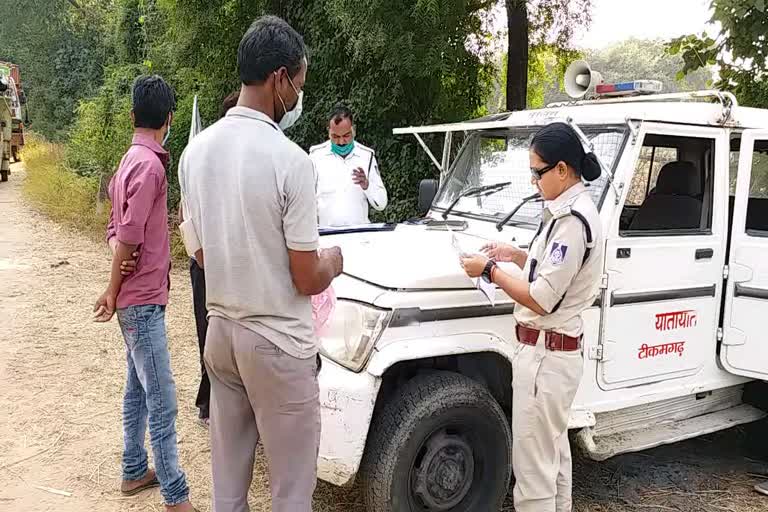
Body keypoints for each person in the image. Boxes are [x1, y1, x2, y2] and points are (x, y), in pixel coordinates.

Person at [178, 15, 343, 512]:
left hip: (221, 334)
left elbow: (200, 253)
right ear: (280, 78)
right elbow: (305, 275)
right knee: (291, 492)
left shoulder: (195, 153)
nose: (298, 97)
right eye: (299, 84)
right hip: (277, 343)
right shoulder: (291, 161)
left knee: (228, 488)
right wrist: (335, 260)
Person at [460, 122, 604, 512]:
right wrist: (515, 256)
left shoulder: (572, 221)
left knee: (533, 471)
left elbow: (542, 298)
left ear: (561, 169)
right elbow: (552, 272)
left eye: (537, 172)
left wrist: (490, 272)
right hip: (552, 353)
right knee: (552, 456)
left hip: (546, 357)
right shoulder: (565, 213)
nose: (533, 180)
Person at [92, 75, 195, 512]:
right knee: (162, 397)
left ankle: (135, 469)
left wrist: (118, 258)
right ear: (169, 118)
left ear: (134, 115)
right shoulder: (151, 166)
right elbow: (129, 233)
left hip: (138, 300)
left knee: (137, 388)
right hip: (139, 302)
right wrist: (112, 289)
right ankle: (175, 494)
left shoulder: (128, 161)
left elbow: (115, 231)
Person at [188, 90, 240, 426]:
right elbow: (187, 212)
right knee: (209, 330)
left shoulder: (250, 158)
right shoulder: (202, 156)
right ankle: (209, 400)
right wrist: (201, 254)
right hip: (207, 261)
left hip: (236, 261)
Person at [309, 104, 387, 227]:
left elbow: (381, 204)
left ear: (353, 130)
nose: (341, 142)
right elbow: (307, 200)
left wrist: (367, 185)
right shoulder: (316, 156)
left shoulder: (366, 156)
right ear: (328, 131)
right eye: (335, 136)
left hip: (359, 234)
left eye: (346, 136)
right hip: (327, 236)